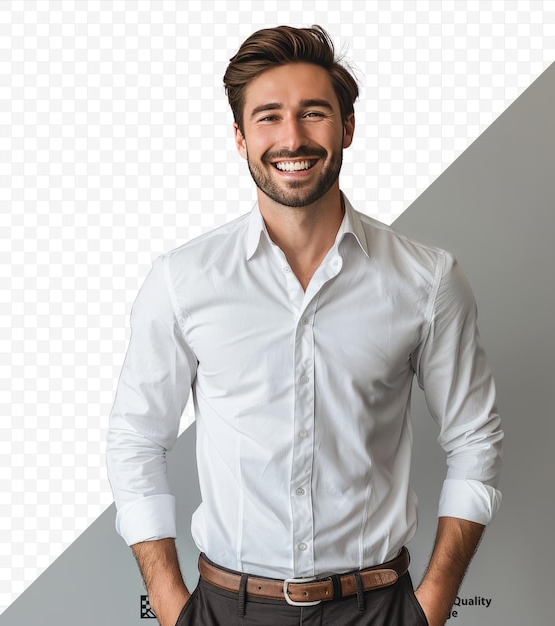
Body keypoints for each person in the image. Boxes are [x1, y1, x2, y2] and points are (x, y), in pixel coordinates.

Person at [106, 25, 503, 626]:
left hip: (378, 609)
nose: (292, 137)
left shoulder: (427, 281)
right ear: (239, 137)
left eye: (313, 113)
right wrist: (169, 604)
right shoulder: (182, 282)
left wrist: (432, 603)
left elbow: (475, 439)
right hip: (226, 609)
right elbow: (136, 438)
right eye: (268, 117)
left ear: (346, 127)